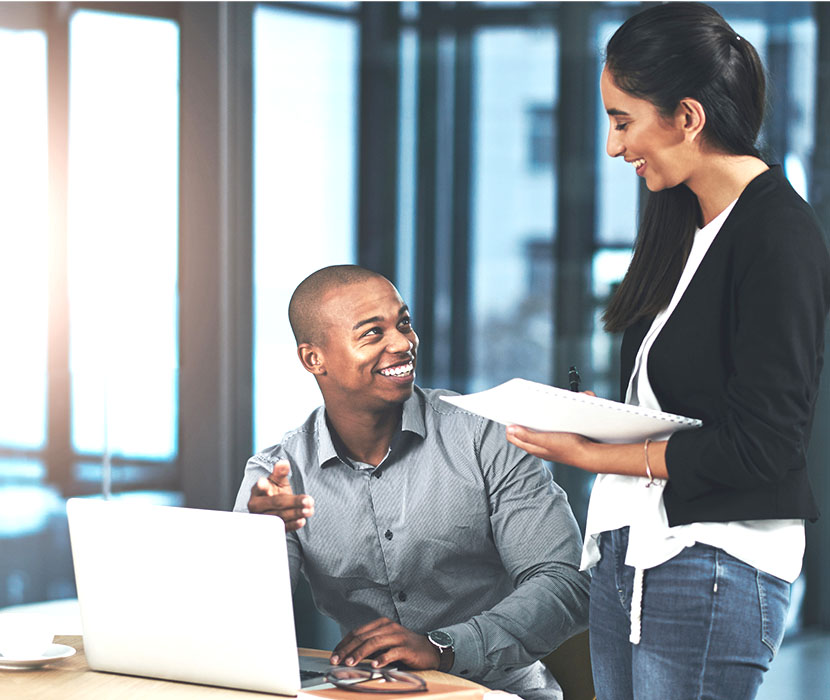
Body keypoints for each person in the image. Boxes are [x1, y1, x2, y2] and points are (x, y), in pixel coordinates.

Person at [504, 4, 830, 700]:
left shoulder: (778, 234)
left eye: (624, 120)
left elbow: (764, 446)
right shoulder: (680, 224)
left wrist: (595, 455)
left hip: (710, 562)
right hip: (631, 551)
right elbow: (678, 404)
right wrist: (606, 420)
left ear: (687, 117)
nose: (616, 147)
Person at [233, 265, 590, 700]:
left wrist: (444, 647)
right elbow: (241, 632)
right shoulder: (278, 474)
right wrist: (256, 540)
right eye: (372, 333)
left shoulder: (485, 436)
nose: (403, 343)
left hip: (496, 692)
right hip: (366, 693)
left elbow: (566, 581)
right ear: (314, 359)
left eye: (403, 323)